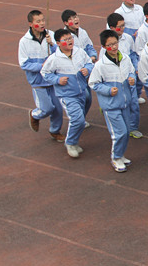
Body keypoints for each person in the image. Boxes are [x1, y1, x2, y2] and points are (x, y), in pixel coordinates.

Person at [40, 28, 94, 158]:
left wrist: (87, 69)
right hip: (67, 95)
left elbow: (89, 63)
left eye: (70, 38)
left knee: (80, 120)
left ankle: (74, 142)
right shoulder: (54, 59)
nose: (69, 41)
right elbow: (45, 73)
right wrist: (57, 80)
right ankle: (70, 143)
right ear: (58, 43)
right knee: (77, 119)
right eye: (65, 40)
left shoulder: (79, 52)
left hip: (81, 91)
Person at [89, 29, 137, 172]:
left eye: (115, 43)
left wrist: (132, 78)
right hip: (111, 106)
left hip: (125, 103)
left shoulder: (125, 58)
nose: (114, 47)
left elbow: (131, 71)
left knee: (126, 131)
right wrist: (108, 90)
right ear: (104, 47)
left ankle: (121, 155)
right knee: (119, 133)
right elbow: (93, 83)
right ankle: (115, 158)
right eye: (110, 45)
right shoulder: (100, 65)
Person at [20, 10, 64, 142]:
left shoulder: (51, 35)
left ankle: (55, 131)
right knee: (46, 108)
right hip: (38, 81)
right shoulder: (24, 41)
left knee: (58, 109)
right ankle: (34, 115)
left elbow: (61, 53)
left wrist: (53, 45)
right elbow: (24, 64)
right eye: (38, 21)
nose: (42, 23)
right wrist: (42, 66)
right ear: (30, 24)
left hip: (52, 79)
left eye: (43, 20)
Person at [105, 13, 142, 139]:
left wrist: (135, 68)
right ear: (112, 28)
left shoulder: (128, 38)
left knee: (134, 103)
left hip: (128, 77)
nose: (122, 28)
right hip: (115, 80)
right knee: (119, 105)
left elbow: (133, 54)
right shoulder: (107, 44)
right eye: (119, 26)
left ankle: (132, 127)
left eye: (123, 25)